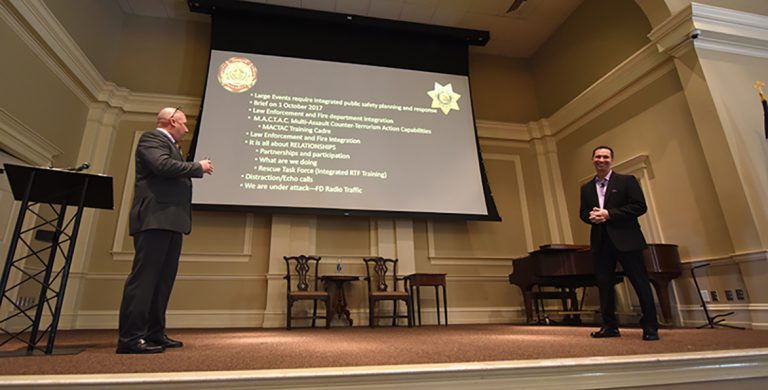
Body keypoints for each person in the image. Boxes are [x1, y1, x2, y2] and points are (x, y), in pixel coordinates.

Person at [116, 107, 214, 354]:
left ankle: (154, 333)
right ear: (172, 122)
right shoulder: (153, 138)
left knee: (162, 282)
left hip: (170, 222)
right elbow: (161, 166)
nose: (186, 128)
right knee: (145, 280)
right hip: (154, 219)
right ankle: (130, 339)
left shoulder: (171, 145)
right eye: (184, 124)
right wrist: (197, 166)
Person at [579, 146, 659, 341]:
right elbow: (582, 213)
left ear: (611, 160)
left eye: (605, 156)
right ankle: (609, 326)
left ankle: (650, 327)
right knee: (604, 285)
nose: (601, 160)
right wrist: (591, 217)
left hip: (627, 240)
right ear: (593, 160)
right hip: (601, 242)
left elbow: (639, 206)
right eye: (598, 156)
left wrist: (609, 214)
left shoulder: (627, 181)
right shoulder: (586, 188)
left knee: (640, 282)